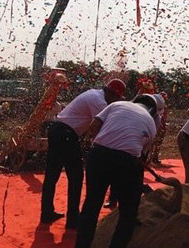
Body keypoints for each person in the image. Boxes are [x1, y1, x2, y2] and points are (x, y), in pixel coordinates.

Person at [75, 94, 160, 248]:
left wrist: (100, 144)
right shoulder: (151, 124)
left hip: (98, 155)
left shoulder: (117, 105)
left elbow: (94, 125)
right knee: (128, 212)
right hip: (126, 162)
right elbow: (142, 157)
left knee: (91, 205)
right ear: (153, 111)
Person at [40, 79, 126, 227]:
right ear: (111, 94)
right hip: (67, 135)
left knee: (52, 175)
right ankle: (73, 219)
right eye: (116, 98)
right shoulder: (99, 102)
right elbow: (104, 126)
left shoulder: (94, 94)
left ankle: (46, 213)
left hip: (57, 130)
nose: (115, 101)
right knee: (76, 177)